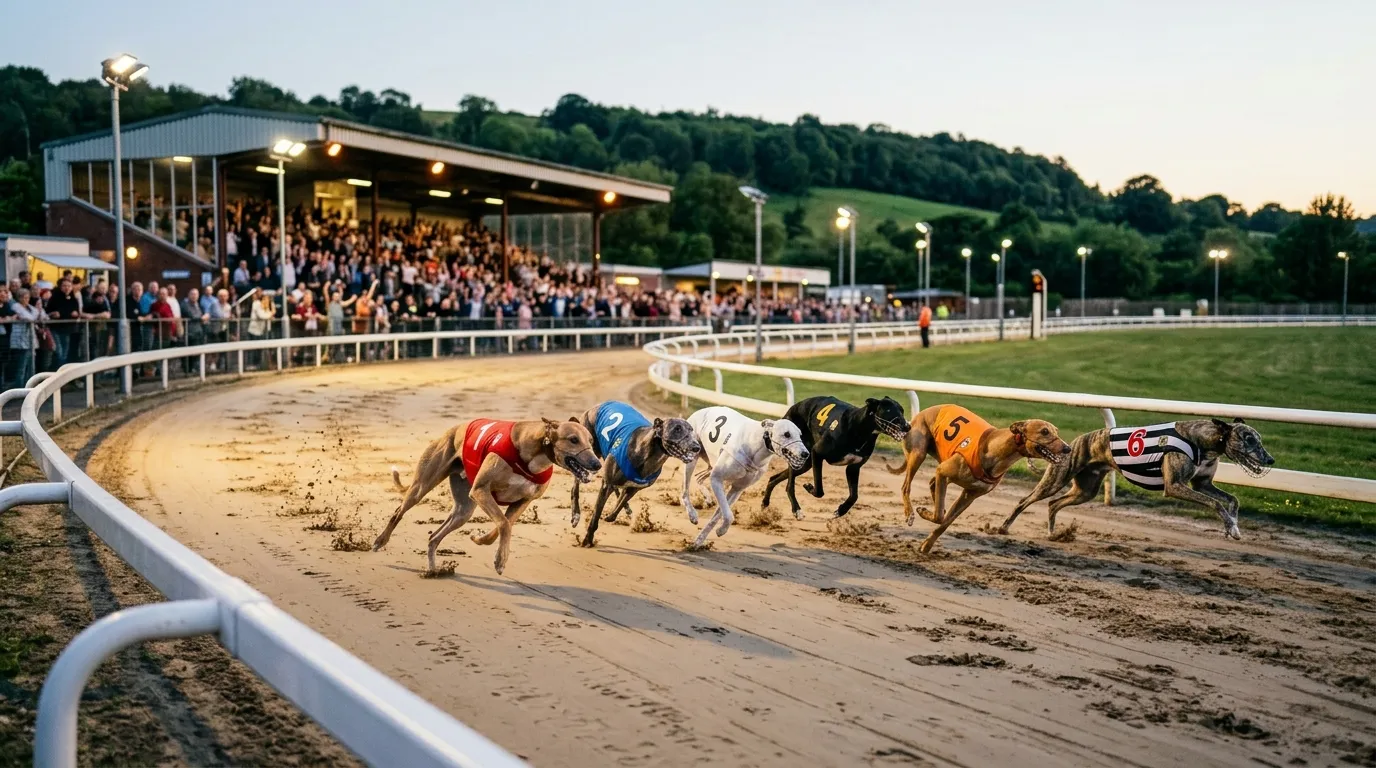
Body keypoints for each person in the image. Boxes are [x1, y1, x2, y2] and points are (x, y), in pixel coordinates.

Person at [9, 289, 46, 390]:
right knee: (21, 367)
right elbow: (30, 318)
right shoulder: (16, 306)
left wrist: (37, 312)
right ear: (19, 298)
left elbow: (41, 316)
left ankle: (29, 387)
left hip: (31, 340)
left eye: (27, 298)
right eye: (23, 298)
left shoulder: (30, 308)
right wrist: (35, 315)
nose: (26, 300)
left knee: (30, 365)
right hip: (20, 341)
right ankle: (19, 389)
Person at [45, 277, 82, 366]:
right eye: (64, 286)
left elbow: (75, 313)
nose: (67, 288)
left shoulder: (73, 299)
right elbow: (50, 312)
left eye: (69, 286)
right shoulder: (54, 298)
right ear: (60, 287)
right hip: (56, 329)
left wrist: (65, 314)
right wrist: (61, 314)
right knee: (59, 352)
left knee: (64, 353)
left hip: (67, 329)